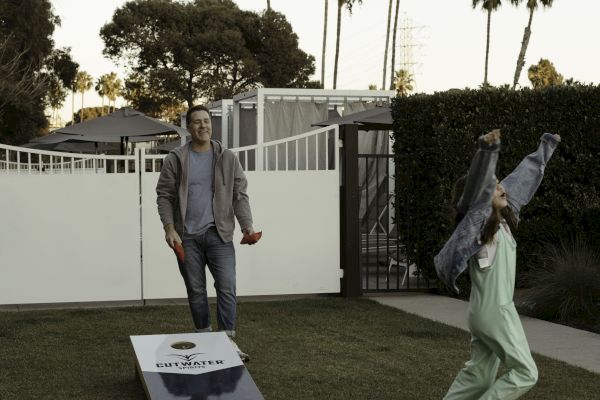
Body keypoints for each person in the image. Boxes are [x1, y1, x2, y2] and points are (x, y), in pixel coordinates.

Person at [435, 129, 561, 399]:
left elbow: (520, 180)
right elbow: (476, 198)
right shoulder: (481, 227)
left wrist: (545, 148)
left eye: (499, 183)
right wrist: (486, 154)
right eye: (494, 186)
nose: (502, 187)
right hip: (497, 313)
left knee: (478, 376)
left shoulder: (499, 223)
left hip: (481, 313)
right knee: (527, 373)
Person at [156, 104, 256, 362]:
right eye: (197, 122)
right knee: (196, 290)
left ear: (212, 124)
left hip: (219, 234)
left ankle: (227, 342)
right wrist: (169, 228)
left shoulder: (227, 157)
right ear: (189, 128)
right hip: (185, 237)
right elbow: (164, 196)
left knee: (227, 286)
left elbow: (239, 194)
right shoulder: (176, 159)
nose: (203, 126)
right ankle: (204, 337)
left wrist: (247, 225)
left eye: (207, 121)